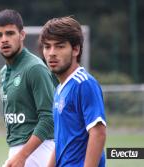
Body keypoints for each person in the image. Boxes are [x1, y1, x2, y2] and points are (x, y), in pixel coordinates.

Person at [39, 16, 107, 167]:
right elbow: (61, 142)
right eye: (47, 46)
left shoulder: (84, 83)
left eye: (59, 46)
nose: (51, 53)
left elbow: (98, 133)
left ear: (76, 49)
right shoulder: (59, 89)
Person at [0, 9, 55, 167]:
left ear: (22, 35)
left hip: (39, 150)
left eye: (10, 33)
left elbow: (48, 118)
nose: (4, 39)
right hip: (18, 150)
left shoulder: (35, 68)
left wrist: (23, 155)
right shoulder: (3, 72)